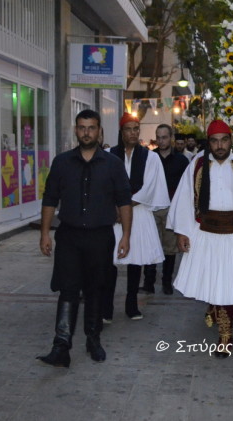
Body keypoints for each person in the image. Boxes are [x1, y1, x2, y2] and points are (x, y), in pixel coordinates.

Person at [167, 120, 233, 360]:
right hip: (210, 234)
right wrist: (182, 232)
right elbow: (184, 199)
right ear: (209, 142)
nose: (219, 146)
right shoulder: (198, 164)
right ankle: (224, 336)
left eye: (224, 140)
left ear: (230, 140)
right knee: (219, 287)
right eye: (214, 141)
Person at [37, 109, 132, 367]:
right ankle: (61, 346)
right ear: (76, 130)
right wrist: (45, 233)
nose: (86, 132)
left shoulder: (113, 164)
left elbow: (124, 201)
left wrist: (126, 236)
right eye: (82, 127)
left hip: (100, 237)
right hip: (69, 236)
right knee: (67, 289)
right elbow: (50, 199)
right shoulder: (62, 162)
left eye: (91, 128)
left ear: (99, 131)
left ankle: (93, 339)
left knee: (95, 288)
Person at [102, 113, 170, 321]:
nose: (132, 133)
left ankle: (131, 305)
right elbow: (103, 185)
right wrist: (115, 208)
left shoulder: (151, 157)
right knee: (109, 261)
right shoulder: (108, 154)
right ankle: (106, 307)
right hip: (113, 214)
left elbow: (149, 188)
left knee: (136, 261)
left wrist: (124, 206)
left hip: (138, 212)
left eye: (135, 129)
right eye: (128, 129)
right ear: (121, 132)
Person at [141, 124, 190, 294]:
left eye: (164, 137)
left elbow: (186, 186)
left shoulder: (181, 161)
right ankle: (148, 282)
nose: (161, 141)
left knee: (170, 247)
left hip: (171, 208)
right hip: (152, 207)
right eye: (158, 137)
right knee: (150, 244)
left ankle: (167, 282)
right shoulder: (149, 158)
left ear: (171, 138)